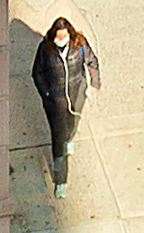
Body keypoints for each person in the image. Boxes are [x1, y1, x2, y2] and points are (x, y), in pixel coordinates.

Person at [31, 14, 98, 185]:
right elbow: (37, 73)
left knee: (72, 125)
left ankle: (69, 139)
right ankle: (61, 180)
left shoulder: (79, 44)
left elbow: (92, 62)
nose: (61, 40)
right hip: (56, 102)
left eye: (64, 36)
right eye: (58, 36)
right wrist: (46, 93)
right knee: (58, 139)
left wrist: (94, 84)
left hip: (76, 95)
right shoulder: (45, 49)